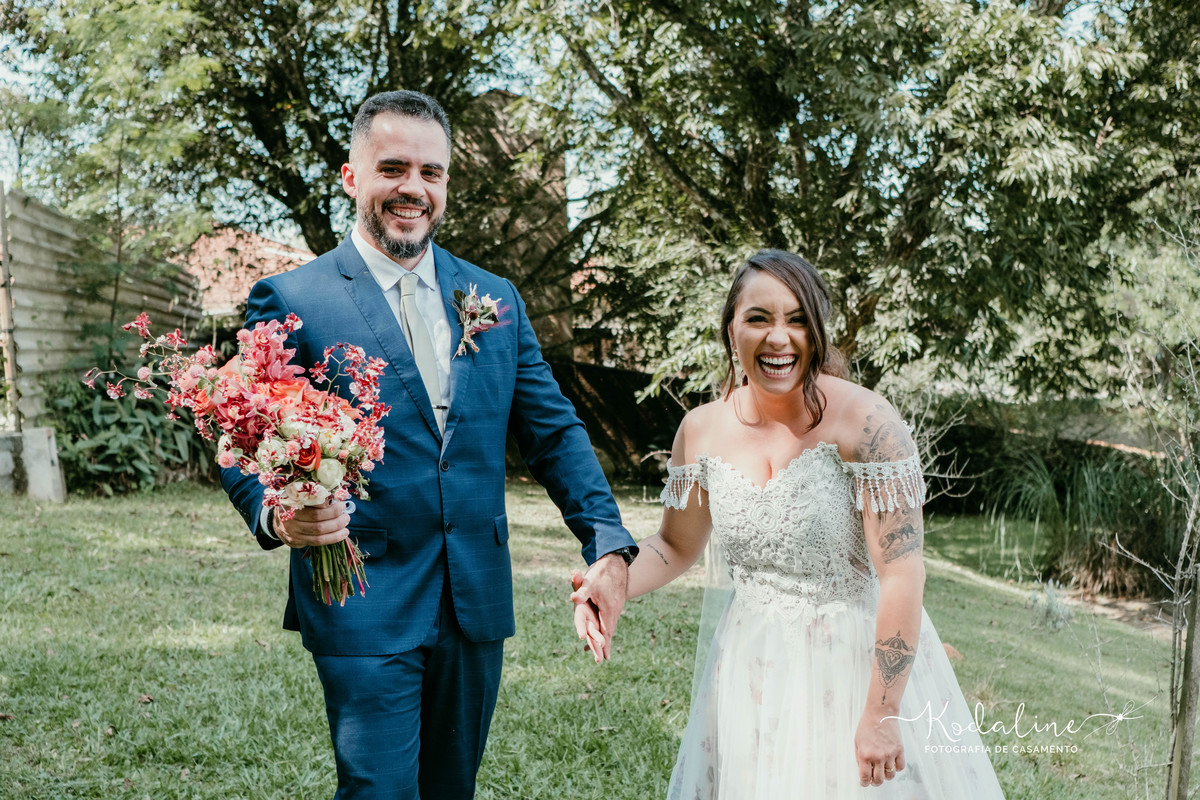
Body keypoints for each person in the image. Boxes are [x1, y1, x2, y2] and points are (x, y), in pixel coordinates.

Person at [220, 90, 636, 800]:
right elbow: (237, 432)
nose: (413, 188)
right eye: (393, 168)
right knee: (379, 791)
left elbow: (553, 430)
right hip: (362, 592)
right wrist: (276, 514)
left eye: (431, 173)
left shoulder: (494, 296)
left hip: (475, 598)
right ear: (353, 178)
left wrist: (606, 541)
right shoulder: (291, 298)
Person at [572, 250, 1004, 798]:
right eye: (759, 318)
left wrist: (883, 712)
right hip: (750, 668)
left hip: (853, 670)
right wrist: (613, 581)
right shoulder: (699, 431)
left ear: (818, 332)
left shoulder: (868, 424)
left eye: (797, 319)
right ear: (732, 329)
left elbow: (902, 574)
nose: (780, 338)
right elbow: (675, 546)